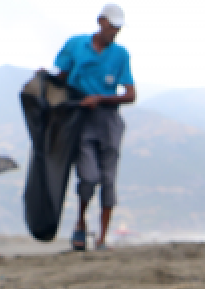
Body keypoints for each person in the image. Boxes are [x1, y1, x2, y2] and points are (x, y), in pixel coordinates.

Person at [52, 3, 136, 251]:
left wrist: (100, 99)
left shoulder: (121, 54)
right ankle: (80, 222)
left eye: (118, 29)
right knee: (88, 177)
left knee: (108, 180)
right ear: (101, 22)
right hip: (81, 119)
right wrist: (46, 80)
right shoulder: (76, 45)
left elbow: (130, 94)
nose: (115, 32)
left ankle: (102, 239)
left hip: (108, 120)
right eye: (112, 27)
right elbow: (60, 78)